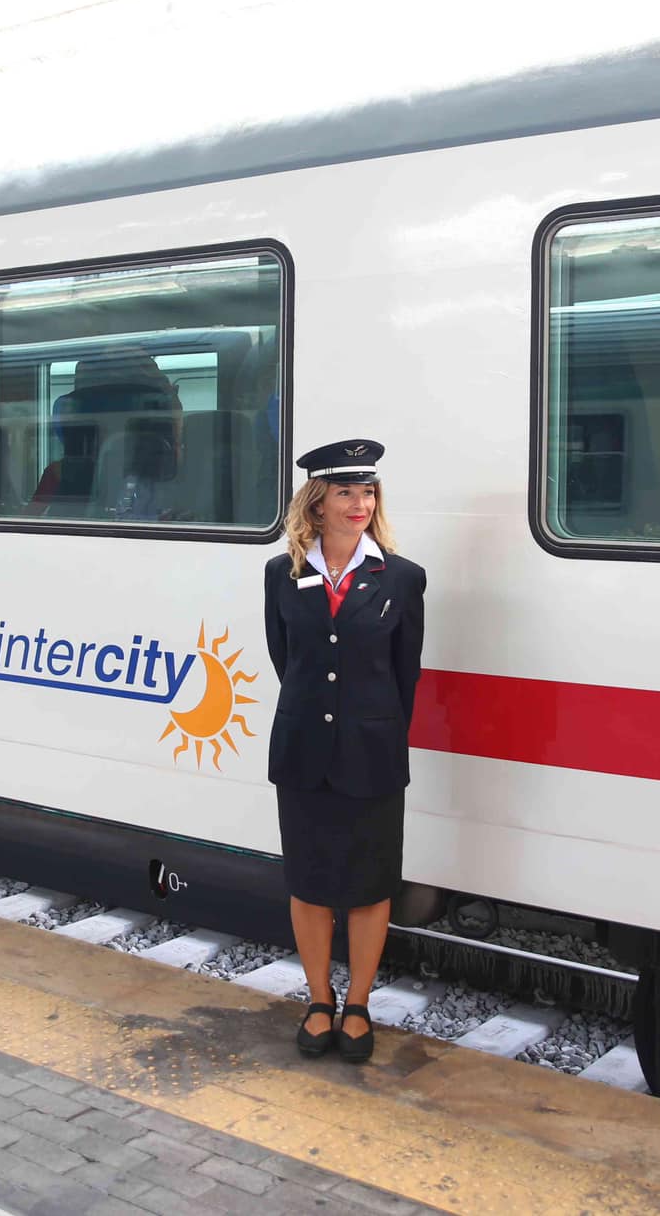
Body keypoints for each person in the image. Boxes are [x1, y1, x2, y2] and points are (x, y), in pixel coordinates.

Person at [263, 439, 426, 1063]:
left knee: (368, 884)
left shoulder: (403, 578)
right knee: (307, 882)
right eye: (345, 493)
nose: (360, 503)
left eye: (368, 492)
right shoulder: (282, 574)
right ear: (317, 504)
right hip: (303, 750)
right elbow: (288, 660)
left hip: (372, 754)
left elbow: (403, 674)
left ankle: (357, 1004)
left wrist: (372, 728)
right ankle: (318, 999)